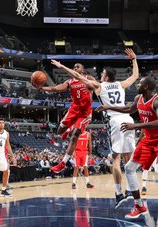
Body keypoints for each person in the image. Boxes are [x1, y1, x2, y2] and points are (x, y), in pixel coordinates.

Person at [96, 76, 158, 225]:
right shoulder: (139, 97)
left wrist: (136, 126)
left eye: (140, 83)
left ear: (146, 86)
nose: (137, 85)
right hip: (148, 139)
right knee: (129, 167)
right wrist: (108, 107)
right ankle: (139, 206)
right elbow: (128, 109)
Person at [51, 48, 138, 208]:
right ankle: (133, 191)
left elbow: (77, 76)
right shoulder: (121, 84)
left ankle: (119, 193)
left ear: (105, 76)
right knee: (128, 159)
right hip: (129, 119)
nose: (101, 75)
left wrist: (61, 66)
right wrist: (134, 60)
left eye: (102, 74)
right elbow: (135, 76)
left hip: (116, 121)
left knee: (116, 159)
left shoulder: (100, 86)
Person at [39, 63, 95, 173]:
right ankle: (68, 128)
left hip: (85, 113)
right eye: (74, 67)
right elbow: (57, 88)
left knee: (75, 136)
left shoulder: (88, 78)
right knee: (60, 131)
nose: (75, 67)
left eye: (78, 66)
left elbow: (98, 87)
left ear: (83, 70)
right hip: (73, 110)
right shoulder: (70, 82)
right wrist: (42, 88)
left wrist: (91, 88)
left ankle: (63, 163)